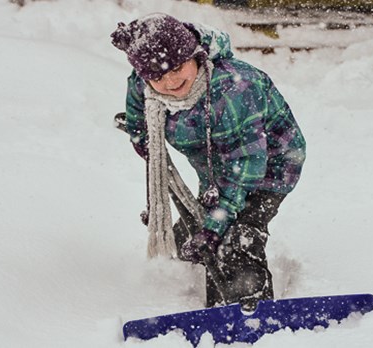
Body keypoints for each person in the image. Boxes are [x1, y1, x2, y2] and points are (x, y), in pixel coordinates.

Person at [110, 13, 306, 310]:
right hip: (214, 169)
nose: (171, 81)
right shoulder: (145, 85)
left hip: (268, 167)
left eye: (177, 68)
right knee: (192, 238)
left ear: (197, 56)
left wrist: (216, 227)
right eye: (158, 76)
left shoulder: (233, 90)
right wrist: (141, 138)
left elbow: (246, 167)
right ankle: (194, 276)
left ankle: (249, 310)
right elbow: (139, 109)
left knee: (236, 237)